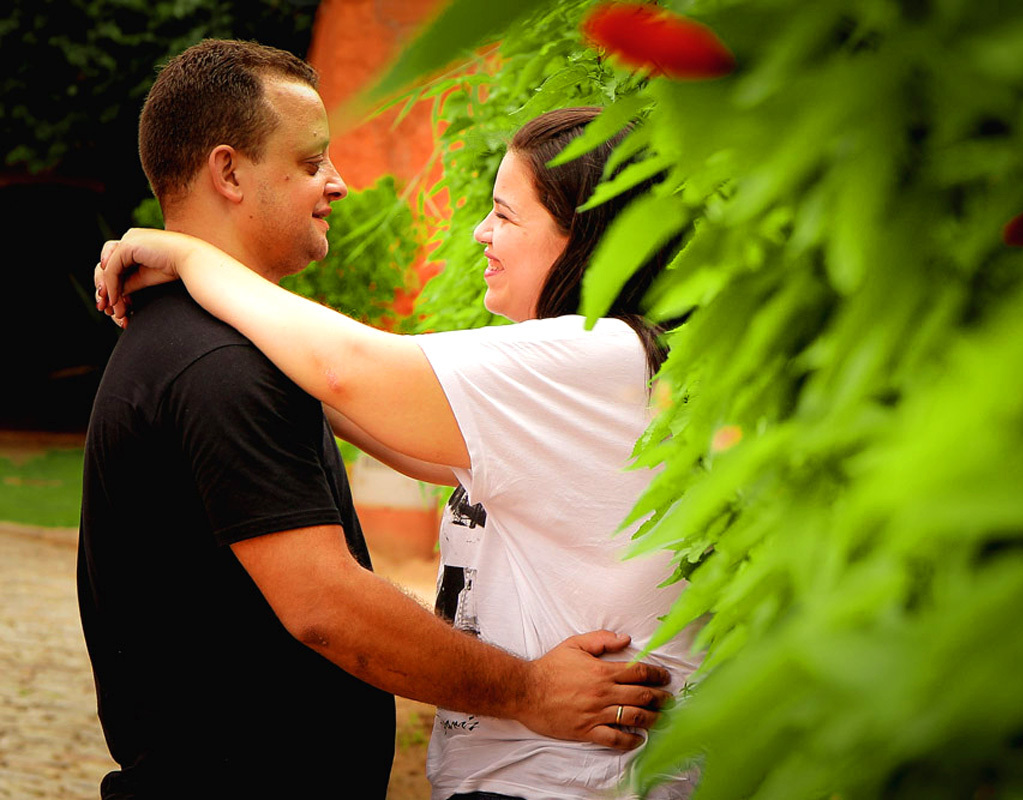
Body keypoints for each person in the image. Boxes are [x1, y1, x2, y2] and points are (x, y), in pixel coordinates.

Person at [79, 41, 671, 800]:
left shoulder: (591, 356)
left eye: (503, 214)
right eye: (311, 161)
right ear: (228, 172)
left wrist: (193, 264)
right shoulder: (217, 364)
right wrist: (526, 690)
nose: (339, 181)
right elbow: (327, 606)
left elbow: (354, 375)